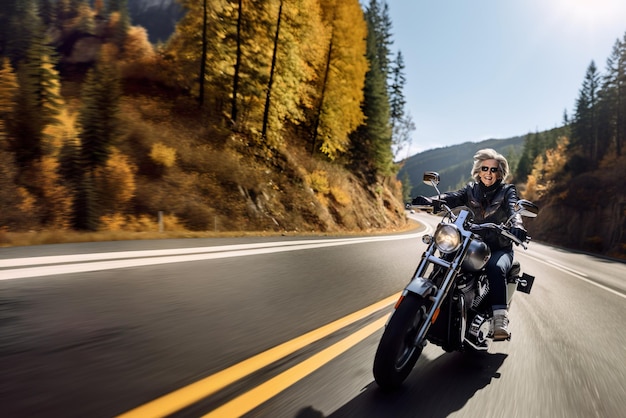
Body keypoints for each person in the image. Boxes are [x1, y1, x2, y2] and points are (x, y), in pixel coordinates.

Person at [411, 148, 527, 341]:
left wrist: (518, 225)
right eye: (485, 168)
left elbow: (515, 208)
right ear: (478, 171)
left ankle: (500, 319)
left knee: (495, 267)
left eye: (494, 170)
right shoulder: (470, 189)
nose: (489, 173)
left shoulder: (507, 191)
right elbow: (452, 197)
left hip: (499, 247)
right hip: (471, 243)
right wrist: (431, 200)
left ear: (500, 173)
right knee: (446, 255)